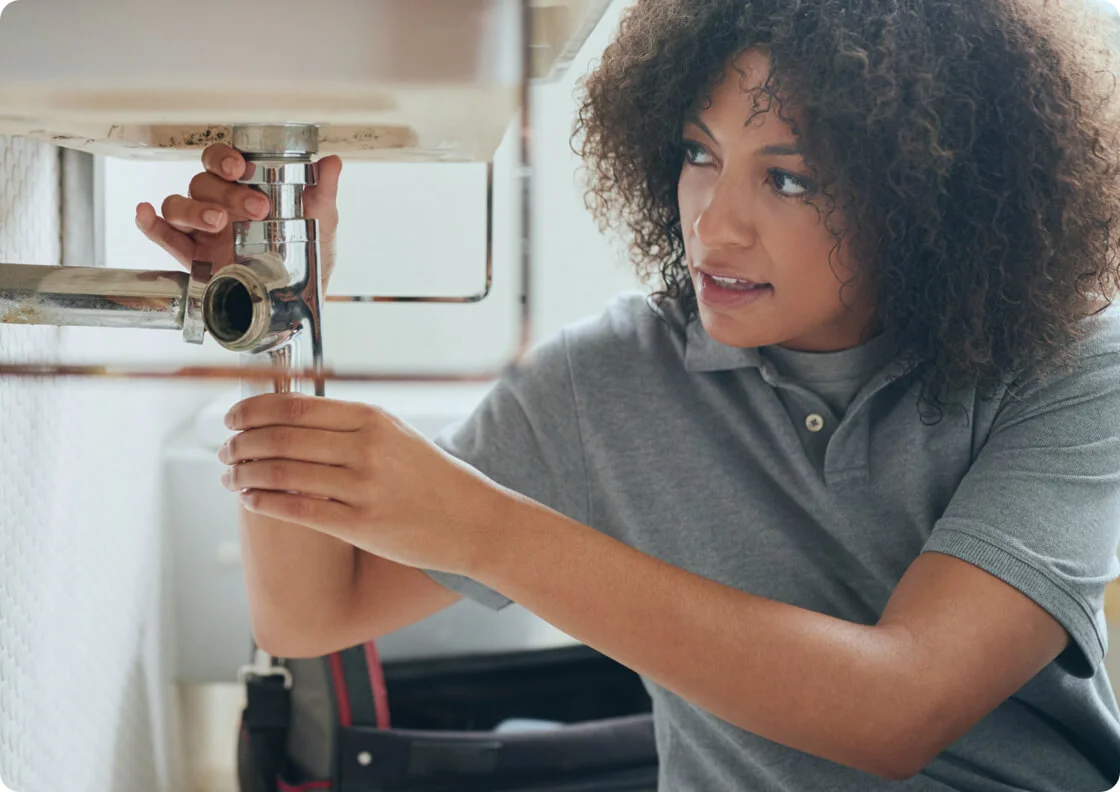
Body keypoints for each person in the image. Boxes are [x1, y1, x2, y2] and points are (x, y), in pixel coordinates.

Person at [135, 0, 1120, 788]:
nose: (715, 225)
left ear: (931, 192)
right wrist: (270, 310)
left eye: (788, 180)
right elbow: (312, 615)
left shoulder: (1073, 366)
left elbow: (896, 711)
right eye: (698, 155)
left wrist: (484, 528)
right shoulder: (607, 377)